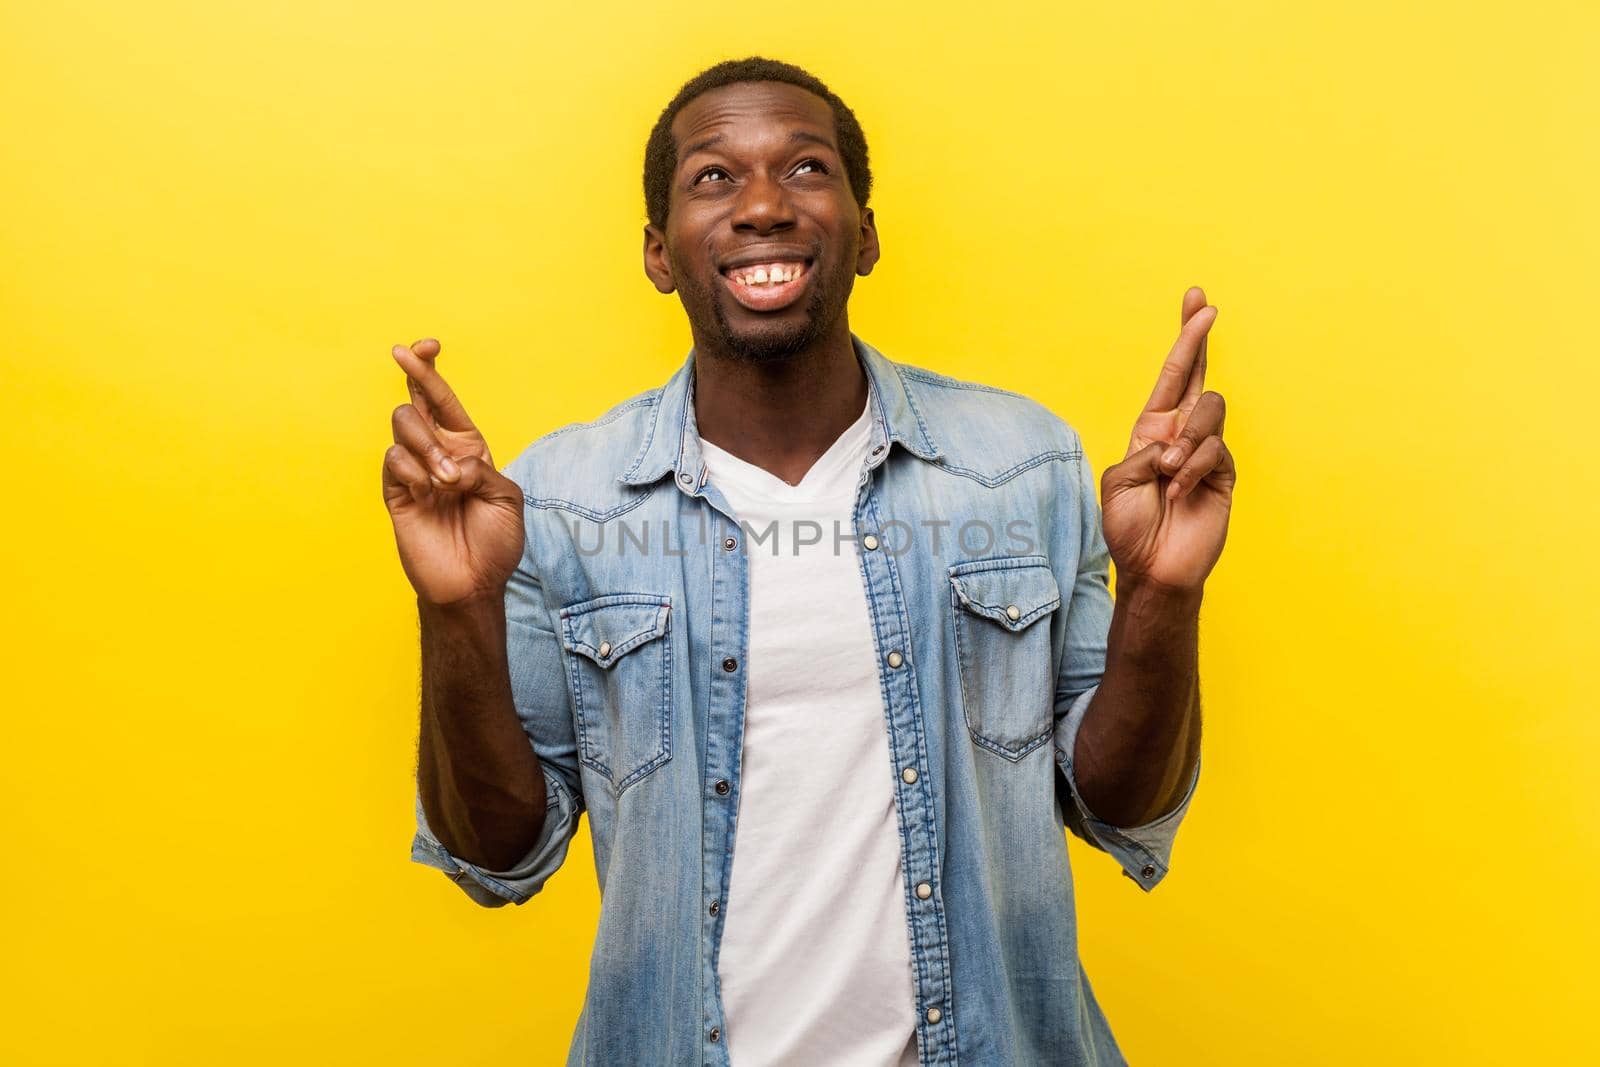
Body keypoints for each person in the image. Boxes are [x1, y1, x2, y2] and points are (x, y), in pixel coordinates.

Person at [381, 55, 1234, 1067]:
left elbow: (1119, 804)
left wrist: (1162, 594)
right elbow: (496, 853)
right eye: (712, 177)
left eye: (804, 168)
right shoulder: (562, 501)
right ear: (658, 252)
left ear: (865, 234)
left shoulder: (1019, 465)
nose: (760, 206)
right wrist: (456, 610)